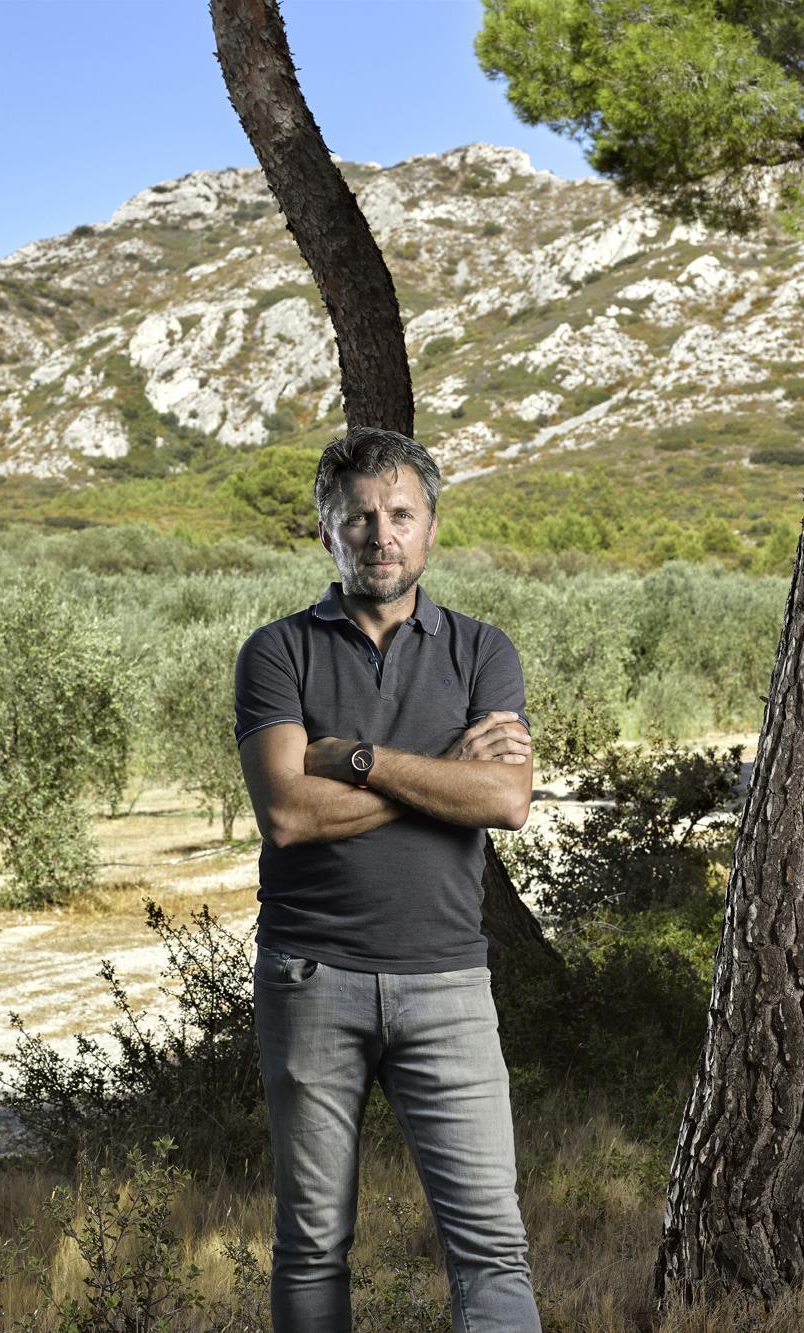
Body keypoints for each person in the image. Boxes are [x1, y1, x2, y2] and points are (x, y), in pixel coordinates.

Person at [233, 426, 543, 1331]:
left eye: (400, 514)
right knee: (312, 1242)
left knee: (491, 1244)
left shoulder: (483, 651)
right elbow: (288, 814)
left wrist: (359, 761)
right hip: (310, 978)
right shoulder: (277, 652)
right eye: (358, 516)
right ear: (325, 532)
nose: (381, 534)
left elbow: (508, 800)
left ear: (431, 527)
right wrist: (445, 774)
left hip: (448, 981)